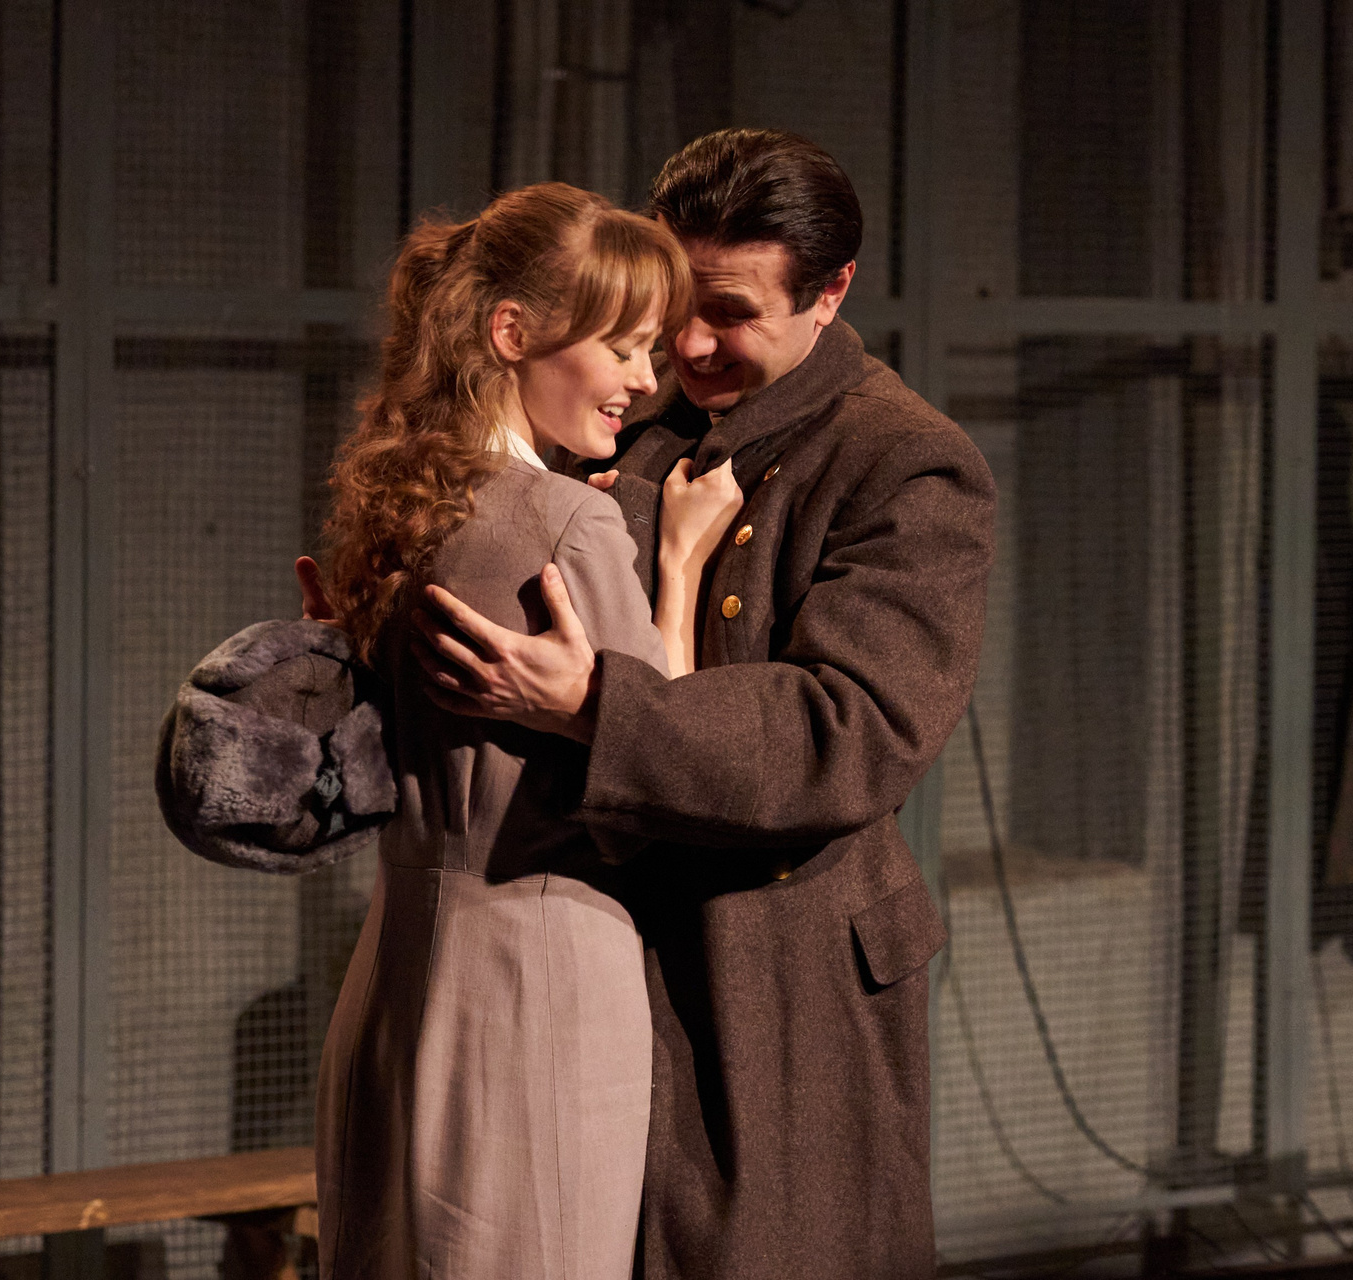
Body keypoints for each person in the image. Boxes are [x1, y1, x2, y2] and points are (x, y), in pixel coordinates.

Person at [411, 129, 997, 1280]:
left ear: (830, 292)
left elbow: (848, 734)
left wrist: (599, 705)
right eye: (677, 304)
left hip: (780, 975)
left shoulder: (904, 461)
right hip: (596, 948)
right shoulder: (633, 426)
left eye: (729, 312)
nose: (686, 344)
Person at [159, 181, 744, 1280]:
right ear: (513, 333)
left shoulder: (401, 507)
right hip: (543, 973)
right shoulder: (571, 520)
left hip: (399, 962)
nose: (645, 378)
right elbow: (663, 747)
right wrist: (677, 561)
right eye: (621, 346)